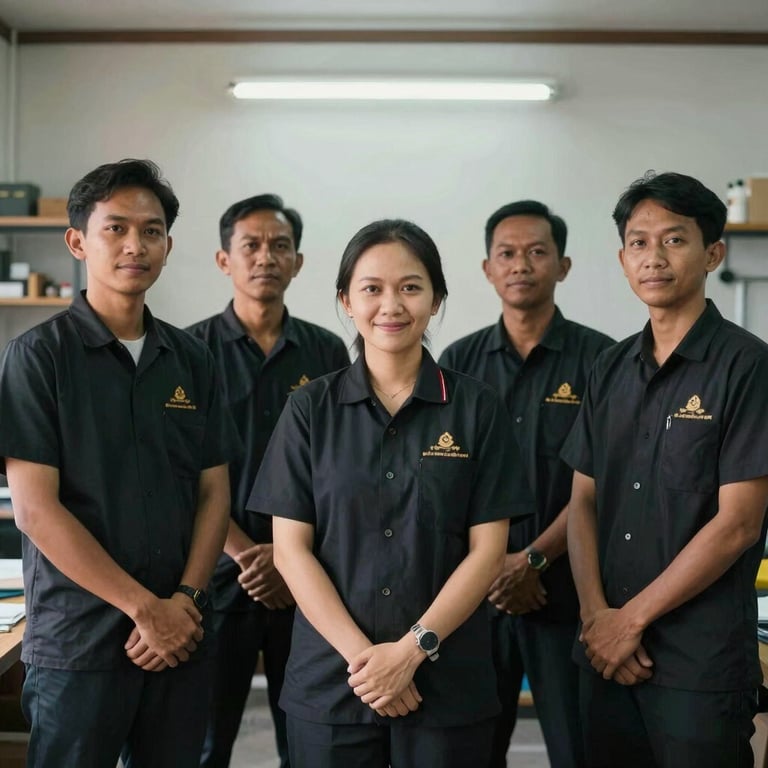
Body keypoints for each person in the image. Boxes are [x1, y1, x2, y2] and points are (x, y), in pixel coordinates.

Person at [246, 219, 534, 767]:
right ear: (346, 302)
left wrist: (411, 651)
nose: (391, 305)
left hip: (446, 684)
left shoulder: (477, 409)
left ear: (435, 299)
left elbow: (488, 551)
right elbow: (290, 549)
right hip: (334, 683)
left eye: (410, 286)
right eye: (371, 288)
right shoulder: (310, 409)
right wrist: (369, 662)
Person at [0, 159, 240, 768]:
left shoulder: (192, 359)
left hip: (181, 634)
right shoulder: (38, 359)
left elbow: (213, 490)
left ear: (168, 244)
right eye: (116, 228)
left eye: (152, 230)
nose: (136, 245)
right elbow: (33, 509)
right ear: (78, 240)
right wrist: (145, 610)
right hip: (80, 641)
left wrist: (183, 600)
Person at [561, 171, 768, 768]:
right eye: (638, 242)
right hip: (602, 651)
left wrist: (631, 621)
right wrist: (596, 616)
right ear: (623, 258)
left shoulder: (747, 368)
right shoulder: (609, 367)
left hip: (696, 664)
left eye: (674, 240)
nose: (654, 257)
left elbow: (738, 525)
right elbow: (582, 503)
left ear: (713, 254)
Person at [439, 200, 613, 767]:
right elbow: (443, 484)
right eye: (506, 254)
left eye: (537, 252)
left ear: (563, 266)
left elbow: (602, 481)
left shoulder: (603, 361)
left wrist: (531, 561)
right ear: (487, 269)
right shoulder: (455, 364)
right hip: (473, 600)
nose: (521, 265)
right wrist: (496, 570)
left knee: (576, 749)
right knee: (470, 748)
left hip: (565, 595)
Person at [187, 194, 349, 768]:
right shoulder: (189, 352)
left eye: (279, 246)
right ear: (223, 259)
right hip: (217, 578)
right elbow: (183, 470)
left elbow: (335, 468)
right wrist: (248, 553)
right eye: (250, 245)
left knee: (307, 734)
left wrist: (285, 556)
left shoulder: (328, 351)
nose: (265, 257)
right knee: (205, 739)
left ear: (298, 262)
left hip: (306, 577)